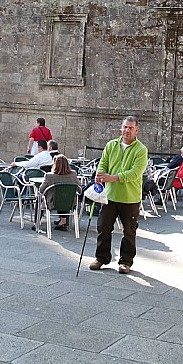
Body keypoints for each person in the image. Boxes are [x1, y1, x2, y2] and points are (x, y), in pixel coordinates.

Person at [90, 116, 148, 275]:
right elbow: (103, 163)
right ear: (120, 129)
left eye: (131, 128)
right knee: (103, 227)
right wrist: (100, 174)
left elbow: (135, 173)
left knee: (129, 231)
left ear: (136, 130)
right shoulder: (111, 145)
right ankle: (101, 258)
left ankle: (125, 262)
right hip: (110, 195)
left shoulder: (141, 150)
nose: (127, 130)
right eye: (125, 127)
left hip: (130, 198)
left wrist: (113, 178)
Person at [35, 154, 79, 231]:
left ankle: (37, 223)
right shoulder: (73, 174)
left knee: (39, 199)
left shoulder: (49, 176)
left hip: (52, 203)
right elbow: (80, 190)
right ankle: (64, 221)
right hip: (70, 203)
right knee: (65, 195)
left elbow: (41, 190)